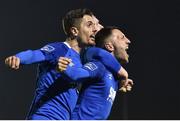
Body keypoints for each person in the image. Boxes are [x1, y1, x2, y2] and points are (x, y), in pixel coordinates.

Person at [5, 8, 127, 119]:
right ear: (74, 31)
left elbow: (103, 53)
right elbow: (36, 54)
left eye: (95, 25)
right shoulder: (60, 49)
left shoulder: (84, 59)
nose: (95, 29)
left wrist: (119, 79)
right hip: (45, 116)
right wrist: (18, 58)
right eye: (89, 25)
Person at [57, 26, 133, 119]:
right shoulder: (100, 66)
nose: (128, 41)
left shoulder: (113, 75)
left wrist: (119, 85)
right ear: (109, 46)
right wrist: (66, 68)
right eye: (122, 37)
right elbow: (79, 74)